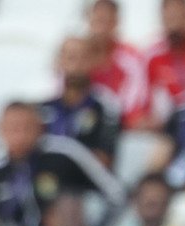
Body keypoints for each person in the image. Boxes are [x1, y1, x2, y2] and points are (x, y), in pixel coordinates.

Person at [0, 102, 124, 226]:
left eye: (27, 127)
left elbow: (114, 194)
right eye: (13, 128)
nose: (20, 135)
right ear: (0, 130)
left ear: (40, 127)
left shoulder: (65, 154)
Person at [39, 37, 123, 169]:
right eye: (71, 57)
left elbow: (104, 159)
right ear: (59, 61)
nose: (77, 64)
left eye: (83, 58)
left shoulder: (105, 106)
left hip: (85, 184)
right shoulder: (43, 108)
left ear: (93, 62)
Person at [88, 0, 149, 128]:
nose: (101, 29)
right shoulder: (79, 53)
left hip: (120, 125)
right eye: (98, 21)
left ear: (116, 23)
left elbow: (134, 102)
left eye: (106, 22)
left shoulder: (130, 57)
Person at [144, 0, 185, 128]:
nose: (174, 25)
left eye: (177, 16)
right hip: (171, 125)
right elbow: (150, 103)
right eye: (170, 18)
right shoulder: (153, 55)